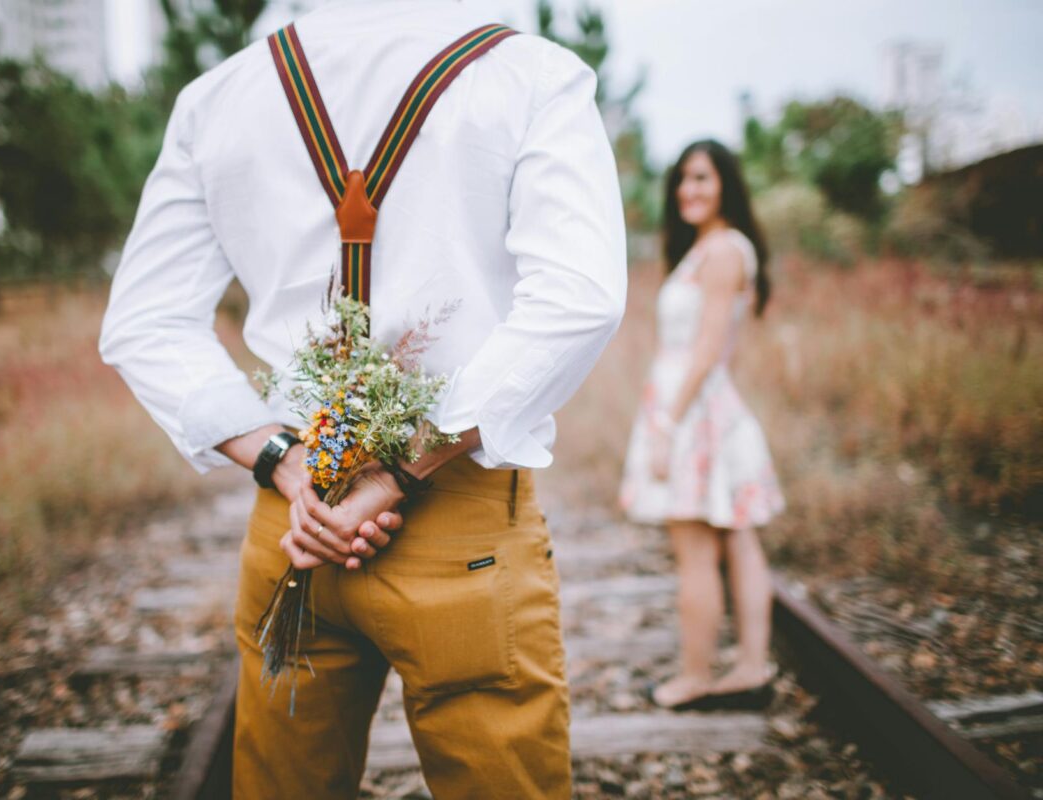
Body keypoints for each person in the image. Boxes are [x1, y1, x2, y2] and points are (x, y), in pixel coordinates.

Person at [98, 0, 627, 796]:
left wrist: (285, 460)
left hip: (296, 526)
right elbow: (578, 298)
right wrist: (395, 473)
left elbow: (143, 321)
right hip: (458, 518)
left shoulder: (218, 98)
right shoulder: (529, 75)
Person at [618, 139, 785, 711]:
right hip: (703, 406)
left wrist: (667, 423)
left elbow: (709, 347)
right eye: (682, 180)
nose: (688, 190)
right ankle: (749, 668)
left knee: (696, 549)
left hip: (691, 412)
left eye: (701, 178)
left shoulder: (721, 252)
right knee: (737, 538)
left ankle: (695, 677)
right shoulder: (714, 248)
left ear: (725, 185)